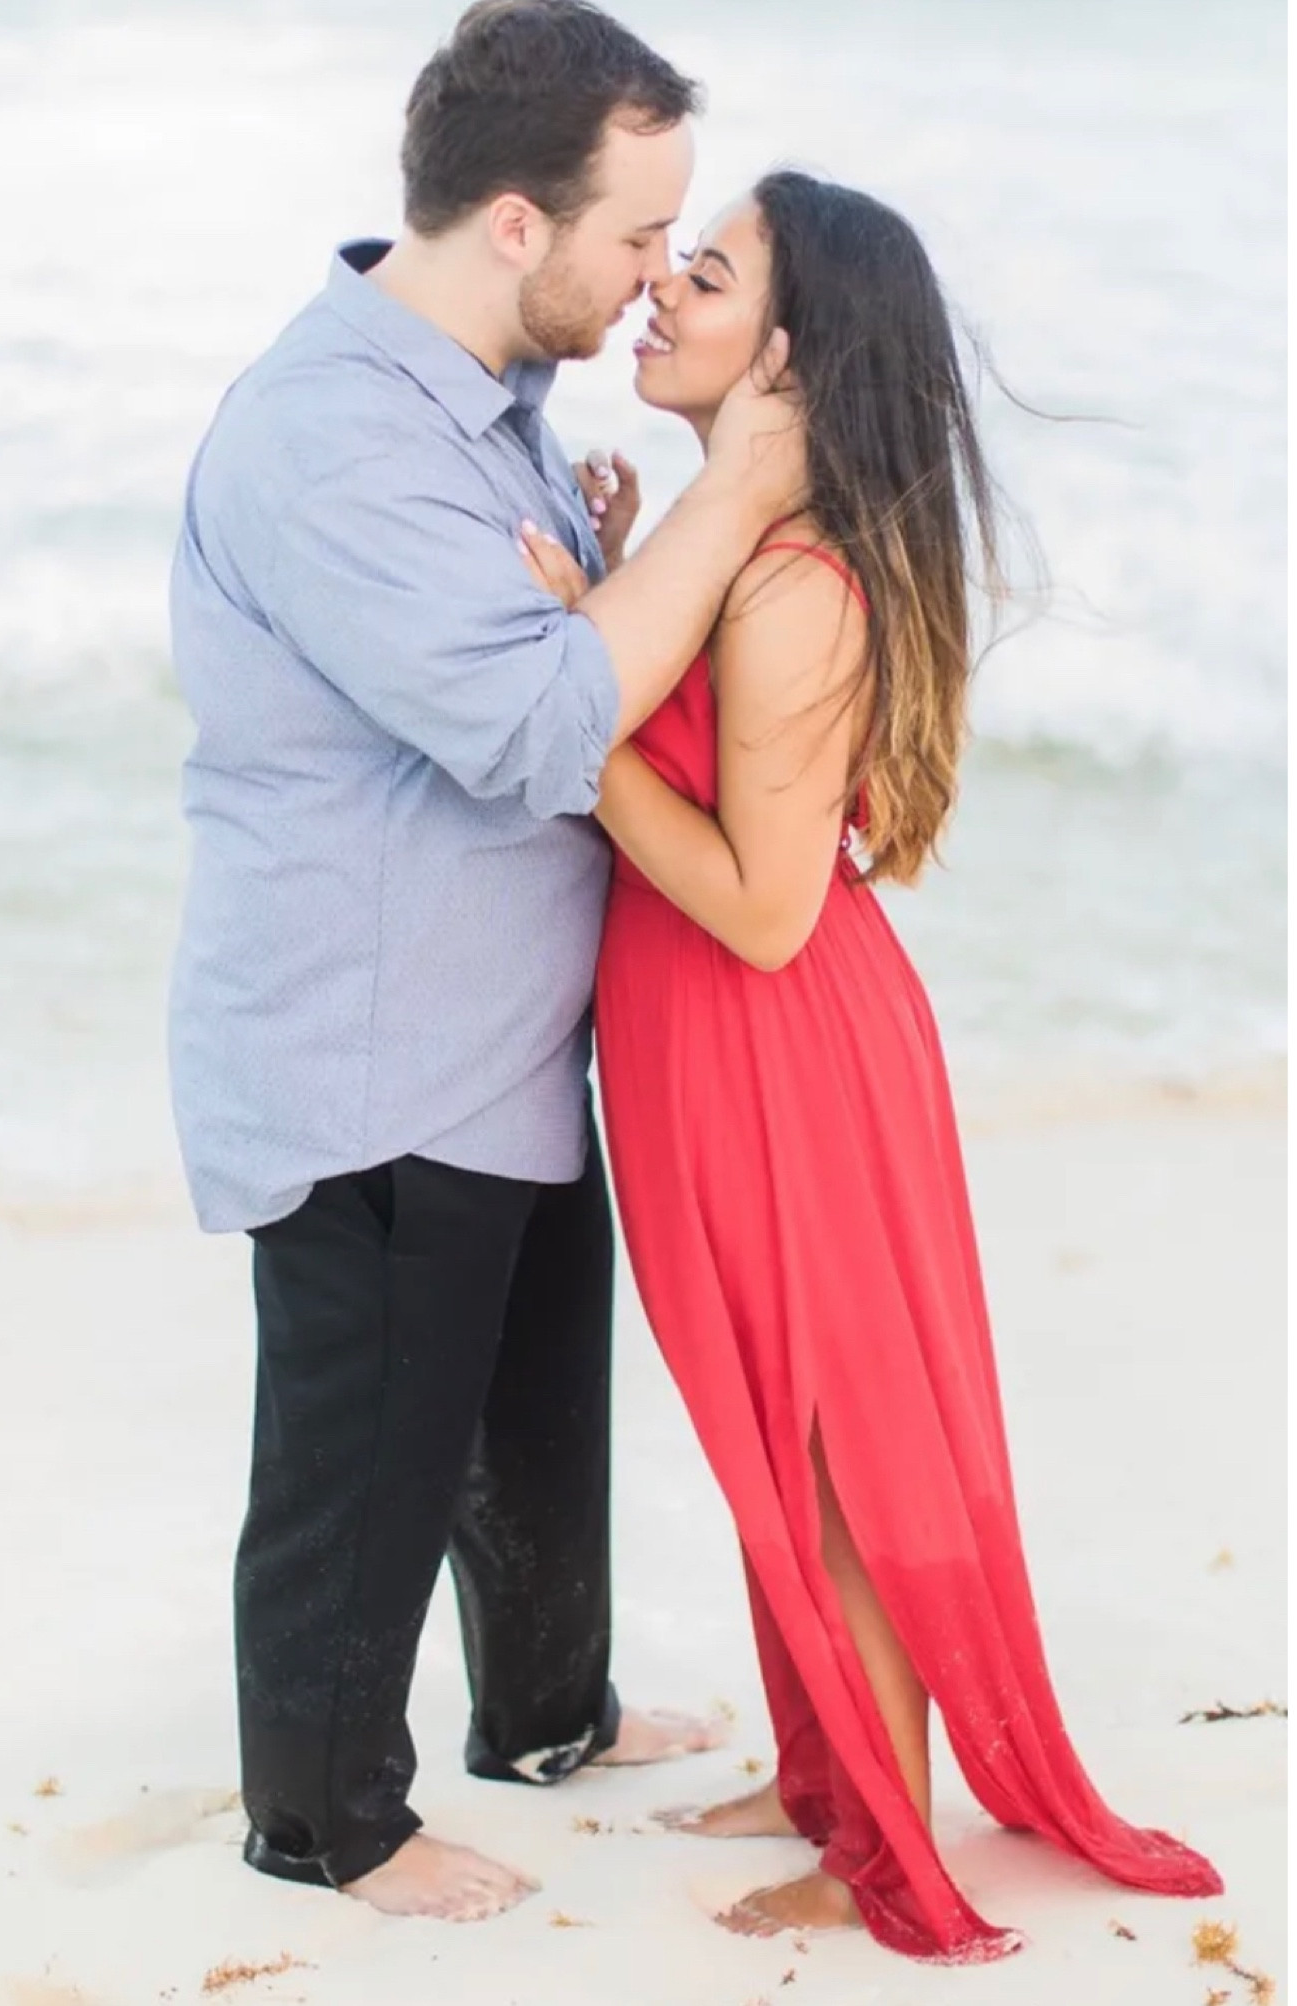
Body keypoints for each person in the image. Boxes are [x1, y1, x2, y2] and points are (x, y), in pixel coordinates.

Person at [517, 170, 1224, 1961]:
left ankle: (877, 1840)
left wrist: (571, 717)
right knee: (767, 1418)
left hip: (778, 1045)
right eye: (671, 261)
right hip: (721, 1043)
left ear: (794, 360)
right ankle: (829, 1761)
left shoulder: (795, 590)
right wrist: (610, 590)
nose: (661, 290)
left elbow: (759, 907)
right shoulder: (734, 549)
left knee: (830, 1449)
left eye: (709, 270)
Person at [167, 0, 803, 1924]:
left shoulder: (484, 404)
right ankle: (323, 1816)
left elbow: (565, 667)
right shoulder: (330, 438)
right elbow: (537, 730)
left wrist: (620, 561)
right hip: (372, 1051)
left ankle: (545, 1712)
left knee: (528, 1402)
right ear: (516, 224)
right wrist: (733, 501)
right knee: (365, 1446)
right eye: (635, 237)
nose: (646, 286)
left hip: (507, 1039)